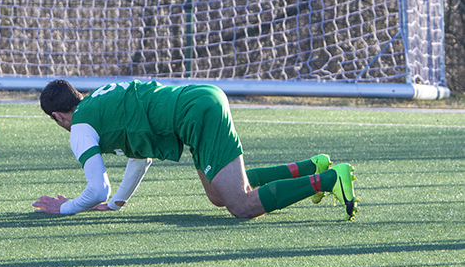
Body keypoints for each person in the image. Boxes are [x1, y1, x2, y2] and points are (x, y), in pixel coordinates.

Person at [33, 79, 358, 221]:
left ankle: (328, 180)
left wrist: (64, 208)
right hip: (198, 100)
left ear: (58, 116)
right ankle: (310, 168)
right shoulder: (98, 103)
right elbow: (139, 156)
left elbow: (96, 188)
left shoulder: (79, 128)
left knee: (241, 206)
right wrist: (117, 203)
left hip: (196, 114)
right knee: (218, 195)